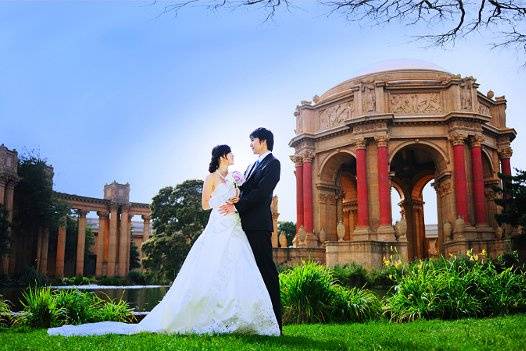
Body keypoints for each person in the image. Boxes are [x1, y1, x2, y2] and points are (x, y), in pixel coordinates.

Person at [48, 144, 280, 337]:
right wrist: (221, 203)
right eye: (230, 153)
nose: (234, 156)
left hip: (233, 226)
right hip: (218, 224)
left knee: (239, 266)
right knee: (209, 266)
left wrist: (235, 198)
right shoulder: (211, 177)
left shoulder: (232, 178)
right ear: (222, 156)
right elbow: (204, 205)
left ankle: (240, 316)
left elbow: (239, 197)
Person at [219, 127, 282, 333]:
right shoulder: (251, 165)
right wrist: (235, 197)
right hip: (244, 225)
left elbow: (263, 194)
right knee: (248, 273)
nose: (250, 144)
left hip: (258, 226)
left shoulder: (273, 164)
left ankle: (276, 324)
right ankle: (256, 322)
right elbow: (247, 190)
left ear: (262, 141)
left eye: (252, 140)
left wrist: (237, 205)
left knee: (266, 272)